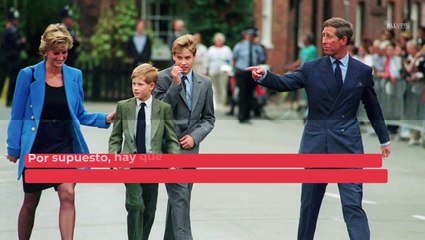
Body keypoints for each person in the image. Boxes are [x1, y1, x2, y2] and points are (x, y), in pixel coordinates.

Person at [246, 17, 391, 240]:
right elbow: (286, 82)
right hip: (316, 147)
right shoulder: (311, 68)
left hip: (348, 148)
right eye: (323, 35)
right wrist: (264, 76)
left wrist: (384, 139)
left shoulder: (362, 71)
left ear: (343, 40)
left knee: (353, 205)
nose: (324, 40)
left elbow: (372, 106)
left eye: (329, 36)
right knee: (309, 208)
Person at [6, 23, 115, 240]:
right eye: (56, 53)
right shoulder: (28, 75)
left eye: (64, 52)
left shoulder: (75, 76)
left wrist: (105, 118)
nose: (61, 57)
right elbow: (17, 114)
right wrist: (14, 147)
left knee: (68, 194)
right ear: (45, 51)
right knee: (31, 201)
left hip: (63, 141)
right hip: (38, 143)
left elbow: (79, 113)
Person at [153, 34, 215, 240]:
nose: (183, 62)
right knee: (180, 198)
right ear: (173, 57)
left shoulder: (204, 83)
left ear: (194, 57)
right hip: (169, 148)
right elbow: (159, 112)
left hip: (191, 150)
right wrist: (175, 84)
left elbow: (208, 119)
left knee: (180, 198)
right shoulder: (161, 78)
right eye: (179, 58)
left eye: (187, 58)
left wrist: (195, 138)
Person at [108, 63, 180, 240]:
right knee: (135, 205)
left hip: (153, 165)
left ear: (151, 86)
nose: (135, 88)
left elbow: (171, 139)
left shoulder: (163, 109)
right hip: (129, 165)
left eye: (140, 84)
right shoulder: (124, 107)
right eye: (133, 84)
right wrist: (113, 157)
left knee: (149, 210)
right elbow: (116, 137)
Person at [233, 27, 265, 123]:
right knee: (243, 93)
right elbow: (235, 58)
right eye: (250, 36)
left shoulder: (257, 47)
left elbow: (261, 58)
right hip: (242, 72)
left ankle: (247, 115)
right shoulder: (240, 46)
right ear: (246, 36)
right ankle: (241, 115)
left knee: (251, 94)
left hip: (252, 73)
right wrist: (236, 70)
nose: (251, 38)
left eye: (253, 36)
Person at [3, 7, 27, 107]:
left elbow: (22, 43)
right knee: (11, 79)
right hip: (9, 58)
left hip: (15, 57)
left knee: (15, 79)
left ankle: (11, 100)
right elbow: (15, 43)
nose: (17, 21)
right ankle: (9, 100)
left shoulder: (15, 30)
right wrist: (20, 42)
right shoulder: (10, 31)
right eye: (15, 19)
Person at [207, 32, 233, 108]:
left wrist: (229, 69)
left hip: (224, 70)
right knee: (214, 87)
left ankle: (223, 102)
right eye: (217, 40)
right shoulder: (211, 49)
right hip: (213, 70)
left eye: (220, 40)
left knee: (223, 86)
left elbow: (230, 60)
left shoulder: (226, 49)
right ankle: (215, 102)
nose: (219, 41)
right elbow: (207, 60)